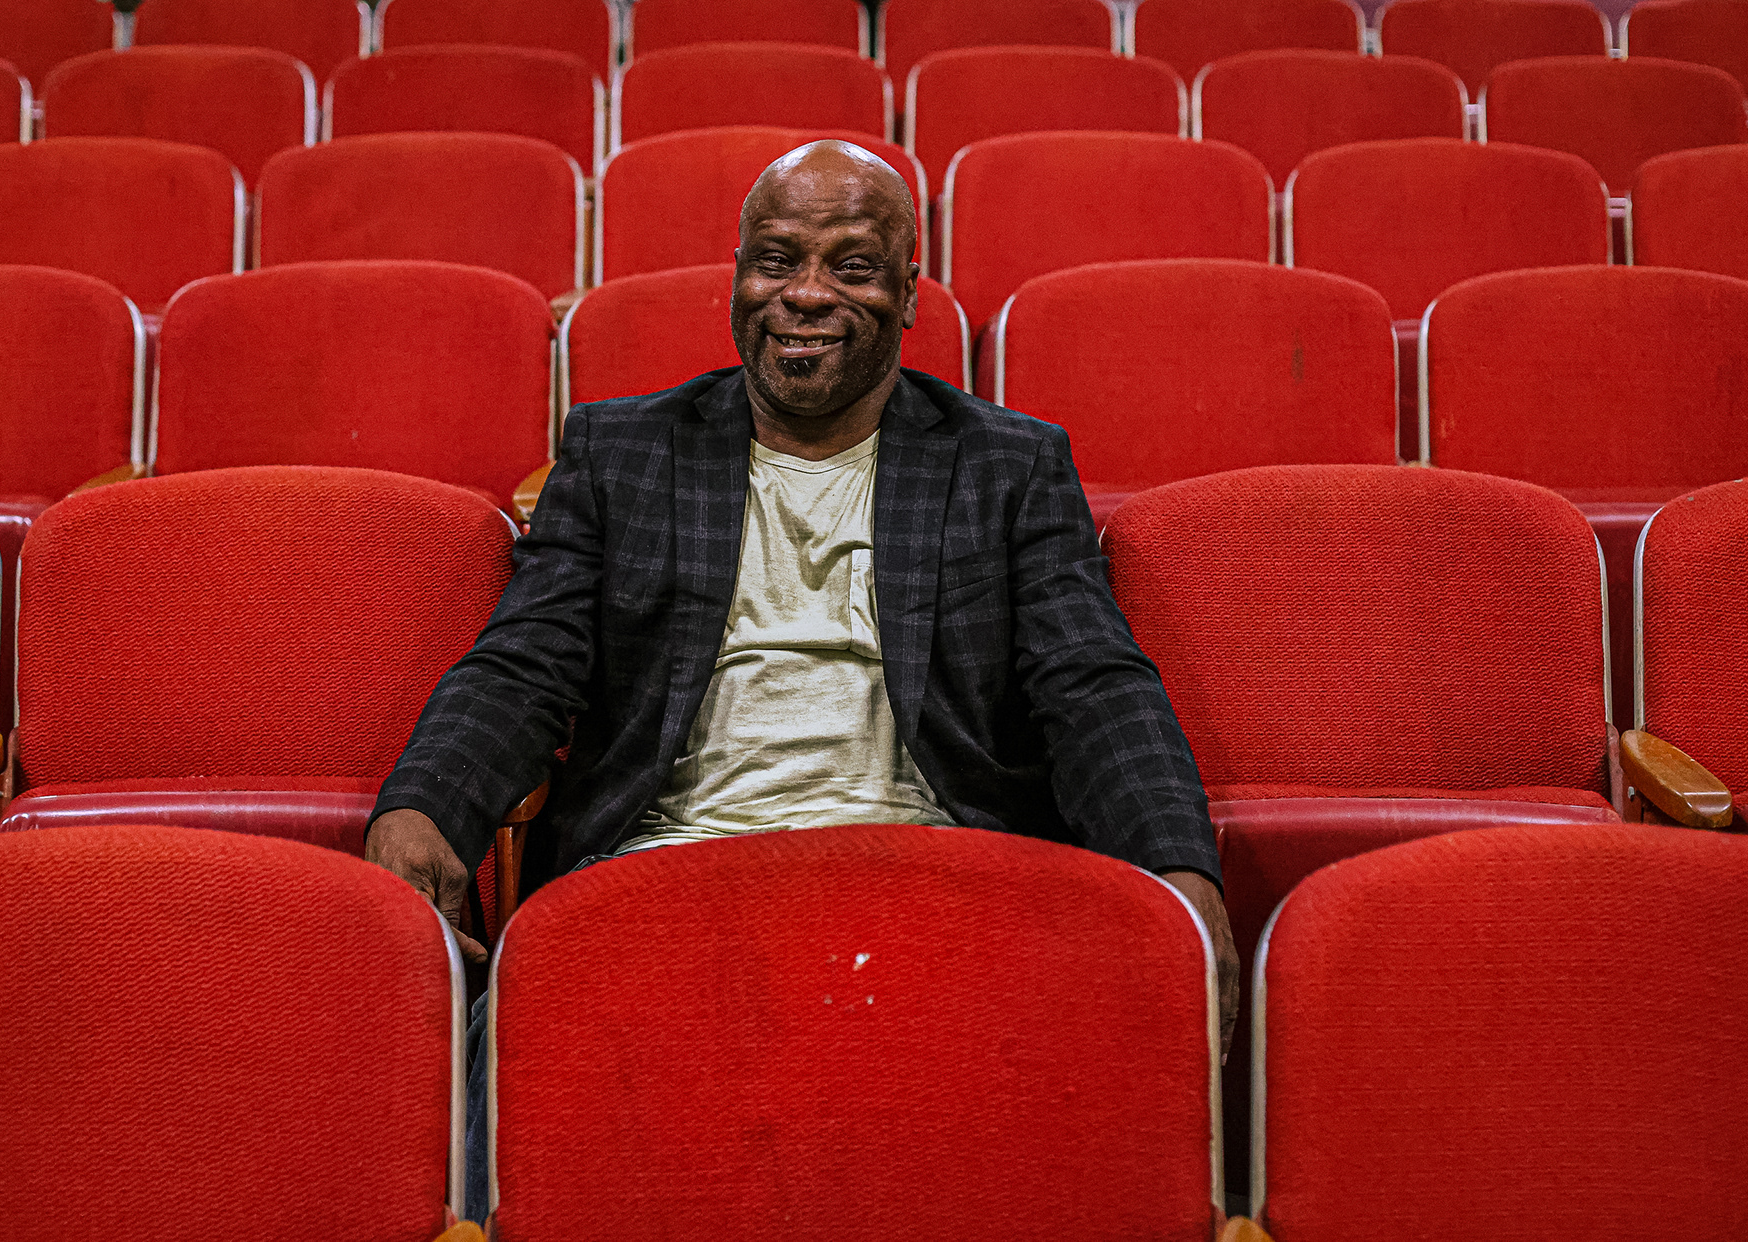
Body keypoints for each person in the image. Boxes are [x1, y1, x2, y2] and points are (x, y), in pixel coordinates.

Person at [367, 139, 1238, 1217]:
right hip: (662, 868)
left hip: (934, 866)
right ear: (737, 275)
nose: (807, 296)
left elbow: (1091, 680)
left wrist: (1177, 873)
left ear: (910, 293)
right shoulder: (622, 451)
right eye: (777, 261)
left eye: (854, 267)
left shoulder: (1008, 463)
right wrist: (419, 811)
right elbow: (525, 662)